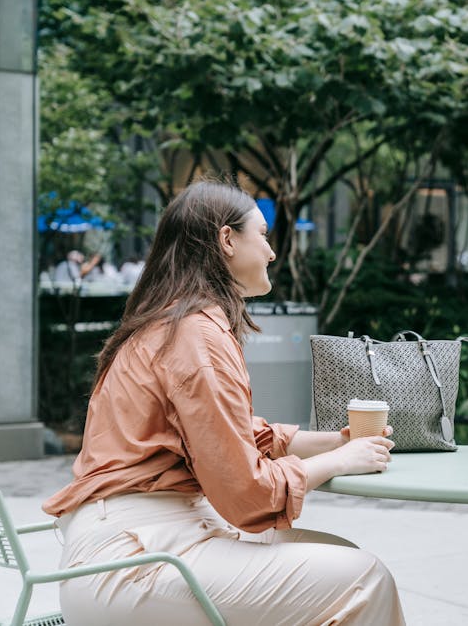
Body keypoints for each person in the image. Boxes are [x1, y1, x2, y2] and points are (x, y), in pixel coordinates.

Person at [43, 181, 405, 625]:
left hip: (135, 545)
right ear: (227, 239)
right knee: (365, 579)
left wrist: (337, 441)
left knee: (340, 556)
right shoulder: (196, 334)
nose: (273, 252)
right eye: (264, 235)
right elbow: (246, 493)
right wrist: (339, 461)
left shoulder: (173, 322)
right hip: (136, 560)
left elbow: (234, 436)